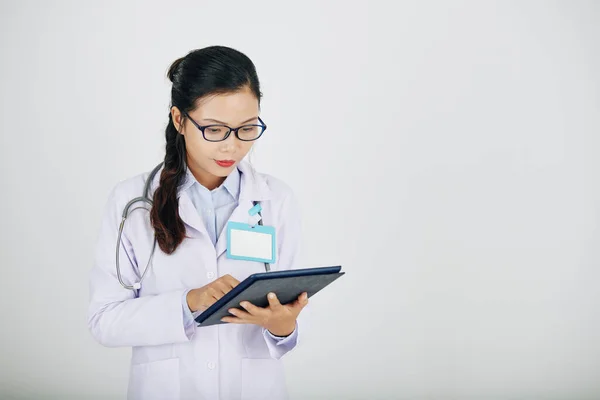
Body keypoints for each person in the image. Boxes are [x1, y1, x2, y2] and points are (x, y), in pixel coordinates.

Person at [87, 45, 309, 400]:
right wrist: (188, 302)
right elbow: (105, 322)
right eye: (215, 129)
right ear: (179, 120)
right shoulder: (132, 203)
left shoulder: (276, 200)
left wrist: (283, 327)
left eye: (247, 129)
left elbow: (290, 309)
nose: (232, 147)